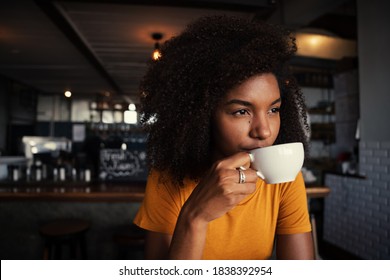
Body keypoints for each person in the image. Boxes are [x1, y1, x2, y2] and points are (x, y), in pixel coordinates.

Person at [133, 15, 313, 260]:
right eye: (241, 112)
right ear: (201, 115)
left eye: (273, 109)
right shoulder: (167, 180)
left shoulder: (284, 178)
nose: (264, 131)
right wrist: (195, 216)